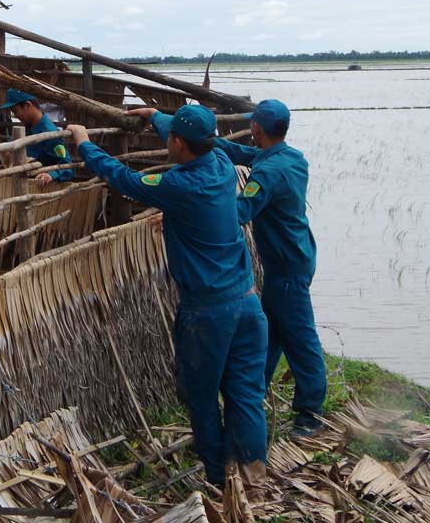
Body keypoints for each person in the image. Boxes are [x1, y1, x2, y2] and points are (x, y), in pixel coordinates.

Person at [66, 106, 268, 486]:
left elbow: (122, 178)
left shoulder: (178, 185)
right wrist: (156, 114)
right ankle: (253, 476)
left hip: (209, 313)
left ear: (177, 142)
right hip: (248, 302)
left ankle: (217, 481)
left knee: (202, 396)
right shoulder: (221, 161)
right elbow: (181, 141)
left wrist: (84, 143)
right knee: (246, 396)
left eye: (170, 135)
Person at [213, 99, 325, 437]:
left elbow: (240, 211)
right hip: (295, 259)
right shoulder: (291, 158)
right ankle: (251, 396)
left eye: (253, 124)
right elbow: (244, 155)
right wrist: (205, 140)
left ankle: (310, 414)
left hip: (287, 268)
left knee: (300, 340)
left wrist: (195, 210)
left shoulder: (268, 173)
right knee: (271, 333)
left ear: (257, 128)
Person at [0, 89, 74, 186]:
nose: (16, 116)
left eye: (15, 111)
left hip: (41, 188)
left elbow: (67, 167)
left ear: (27, 105)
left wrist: (51, 175)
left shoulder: (50, 134)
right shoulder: (26, 129)